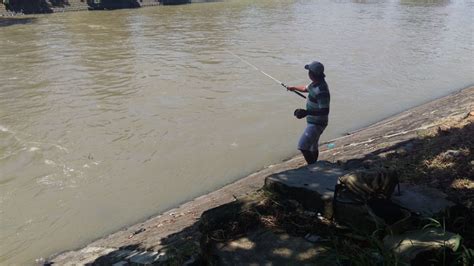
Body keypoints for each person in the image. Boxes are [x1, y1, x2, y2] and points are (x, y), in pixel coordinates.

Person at [287, 61, 330, 165]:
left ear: (312, 74)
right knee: (312, 146)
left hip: (317, 123)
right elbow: (306, 88)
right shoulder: (315, 83)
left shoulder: (321, 90)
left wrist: (306, 112)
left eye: (309, 71)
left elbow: (325, 110)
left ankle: (311, 167)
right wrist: (293, 88)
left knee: (302, 146)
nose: (308, 73)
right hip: (313, 122)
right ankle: (315, 164)